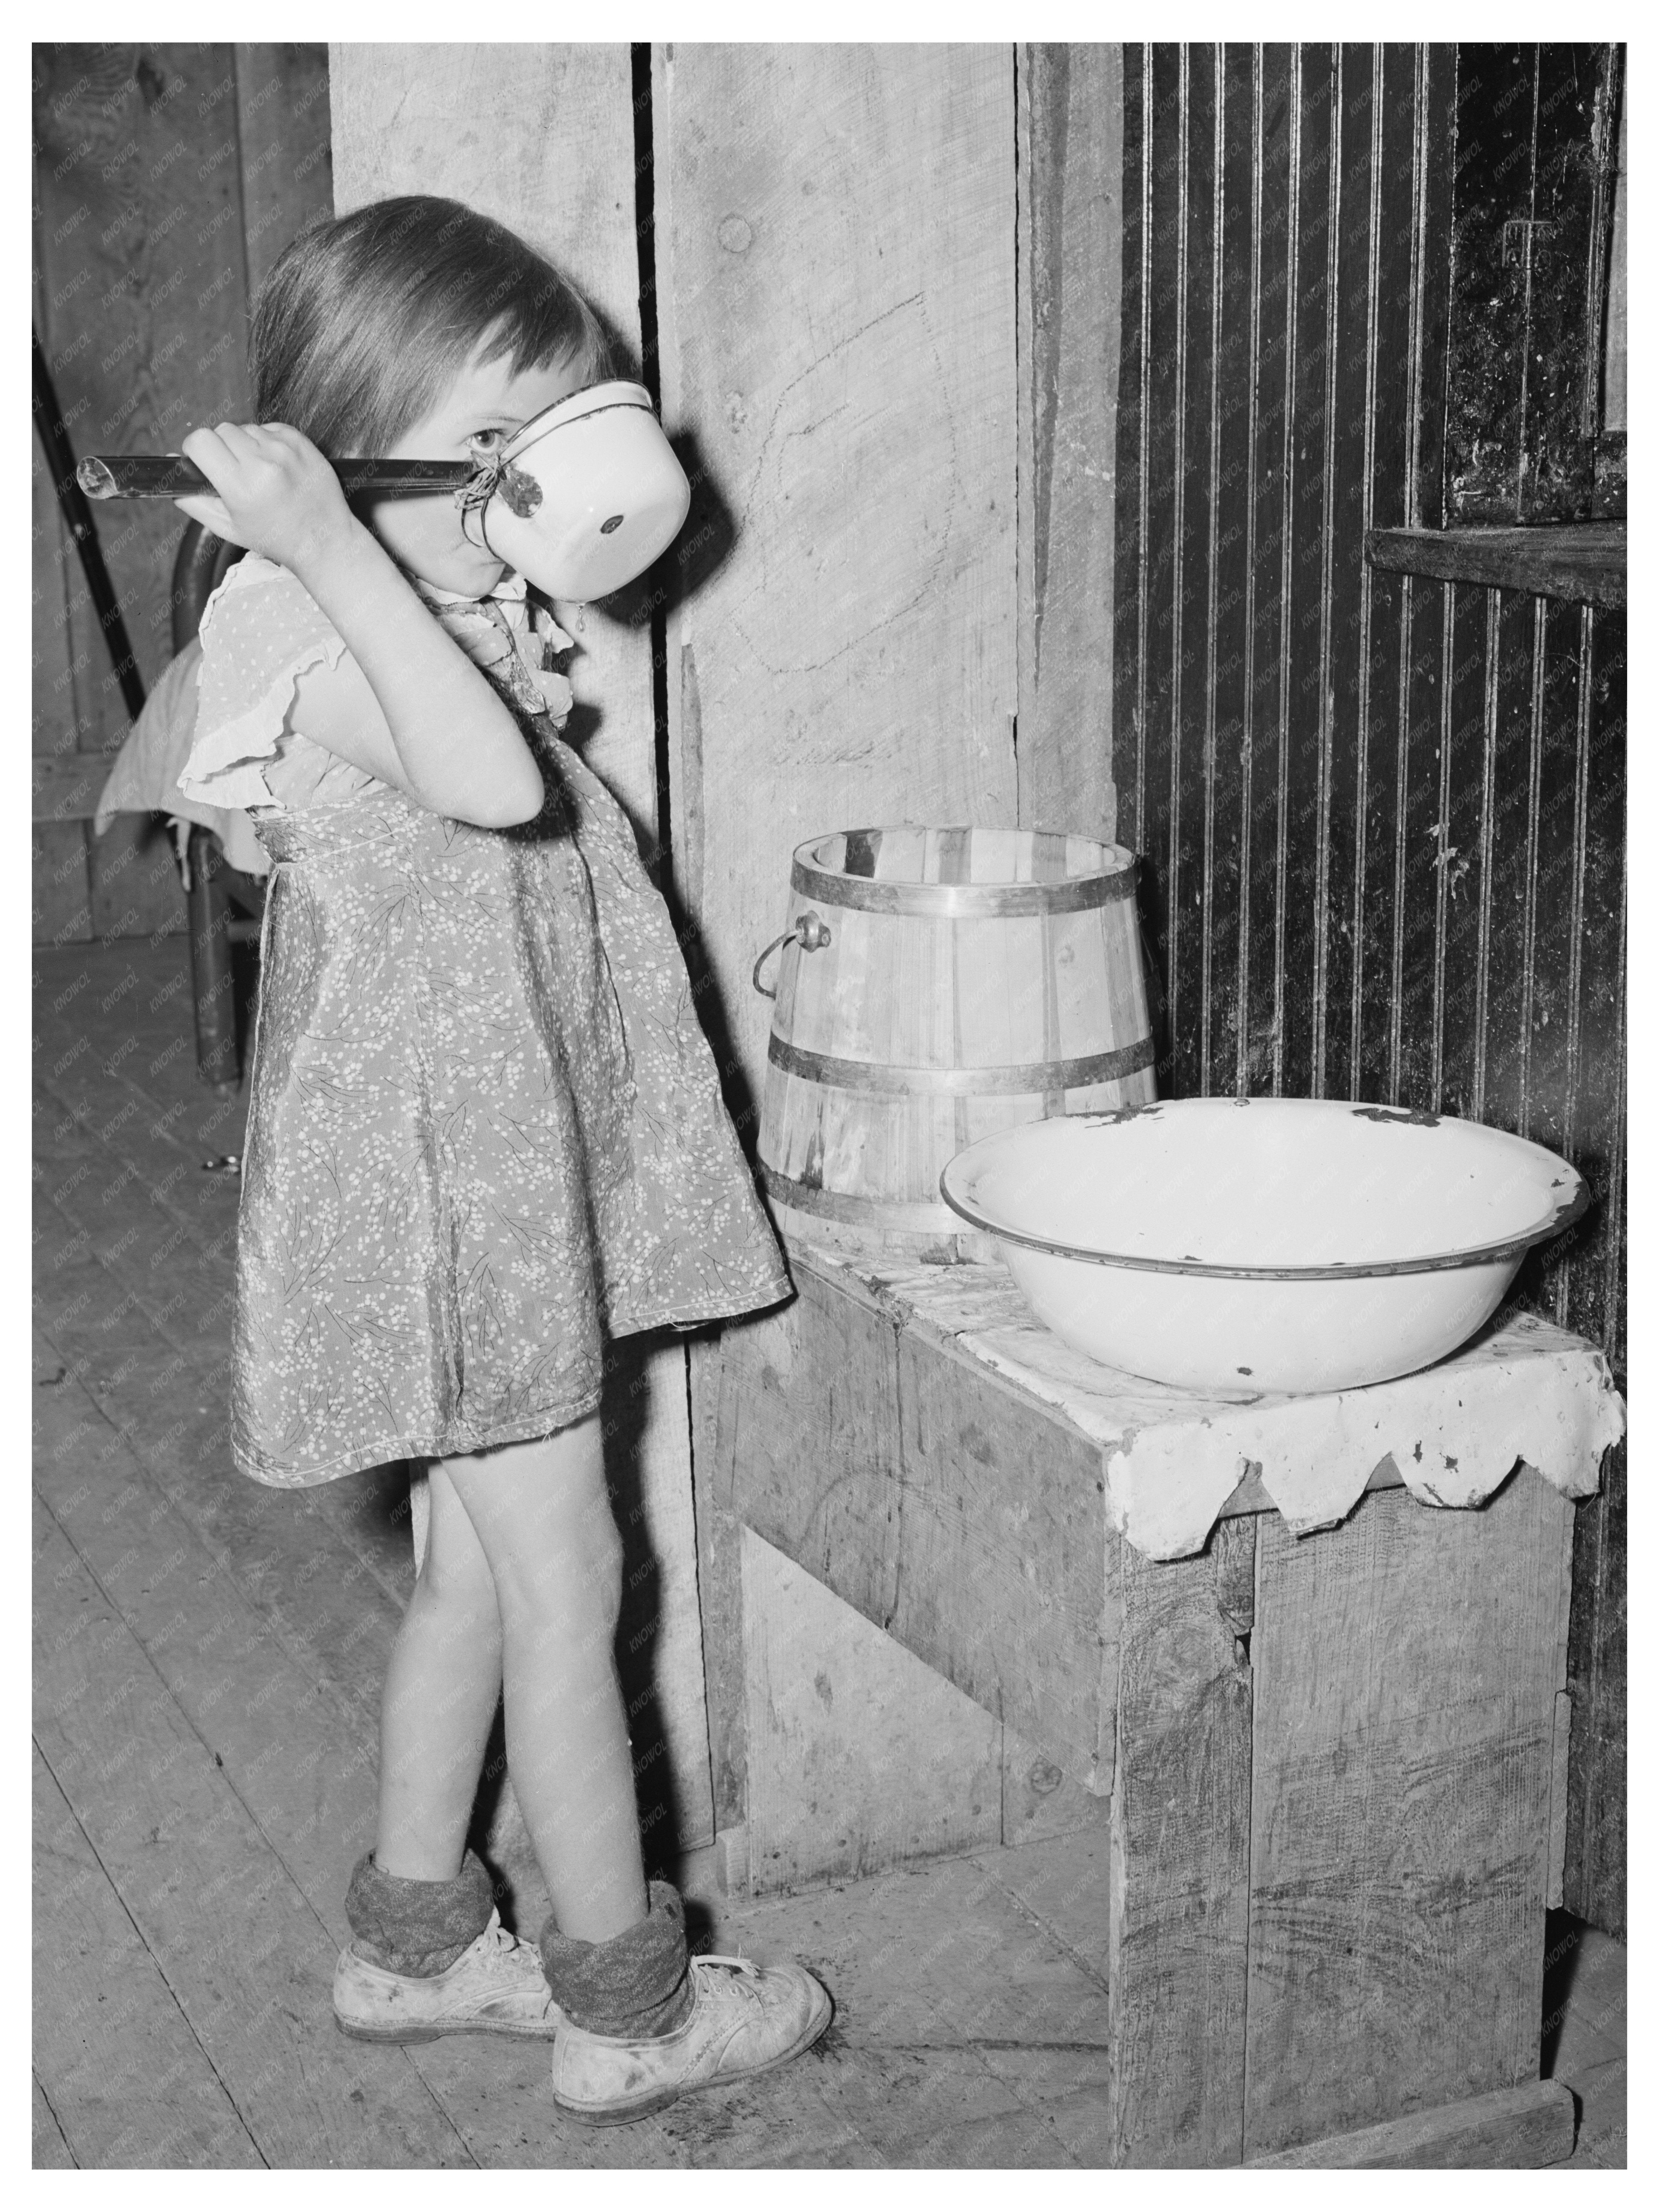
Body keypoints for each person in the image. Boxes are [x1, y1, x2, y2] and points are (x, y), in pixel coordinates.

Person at [172, 195, 829, 2126]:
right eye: (484, 455)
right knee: (570, 1580)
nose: (516, 492)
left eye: (539, 443)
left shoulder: (427, 599)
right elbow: (486, 782)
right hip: (450, 1194)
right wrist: (321, 543)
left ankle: (412, 1942)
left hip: (494, 1162)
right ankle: (627, 2007)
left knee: (473, 1573)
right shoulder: (300, 620)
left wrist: (481, 543)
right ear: (350, 438)